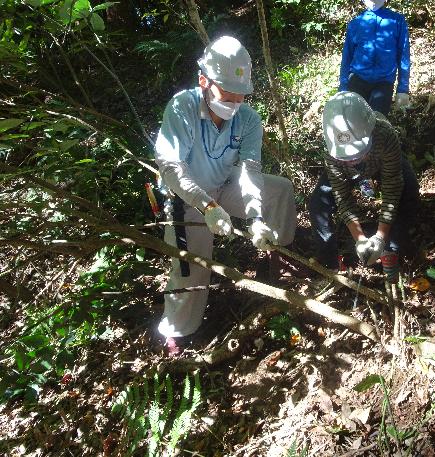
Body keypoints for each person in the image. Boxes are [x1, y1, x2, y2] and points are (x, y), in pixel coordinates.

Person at [154, 36, 297, 351]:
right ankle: (177, 331)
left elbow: (249, 170)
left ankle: (278, 252)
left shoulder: (247, 119)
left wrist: (256, 216)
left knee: (280, 191)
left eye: (240, 97)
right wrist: (207, 206)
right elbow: (171, 166)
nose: (233, 105)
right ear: (204, 81)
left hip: (223, 183)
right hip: (186, 198)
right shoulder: (182, 108)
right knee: (191, 264)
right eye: (226, 96)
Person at [309, 91, 419, 284]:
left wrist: (380, 237)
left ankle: (392, 250)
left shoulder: (384, 133)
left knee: (409, 190)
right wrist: (359, 238)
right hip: (344, 173)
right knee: (318, 204)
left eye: (358, 153)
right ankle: (331, 264)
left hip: (382, 164)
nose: (353, 160)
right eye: (347, 157)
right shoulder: (331, 148)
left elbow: (392, 183)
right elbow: (342, 196)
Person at [339, 0, 411, 116]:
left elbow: (403, 55)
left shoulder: (397, 21)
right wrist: (343, 87)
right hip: (357, 80)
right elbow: (346, 57)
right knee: (355, 123)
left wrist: (403, 89)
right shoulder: (356, 23)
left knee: (378, 125)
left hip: (384, 82)